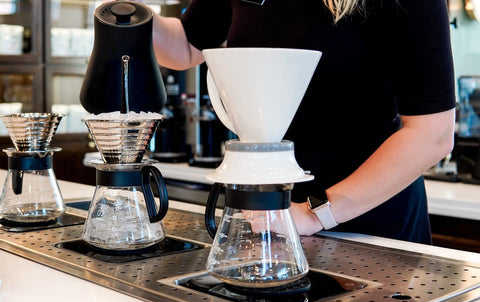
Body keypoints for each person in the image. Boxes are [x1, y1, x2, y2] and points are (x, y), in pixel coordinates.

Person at [107, 0, 456, 244]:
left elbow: (432, 135)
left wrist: (317, 213)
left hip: (368, 220)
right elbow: (185, 45)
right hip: (271, 215)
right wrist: (133, 15)